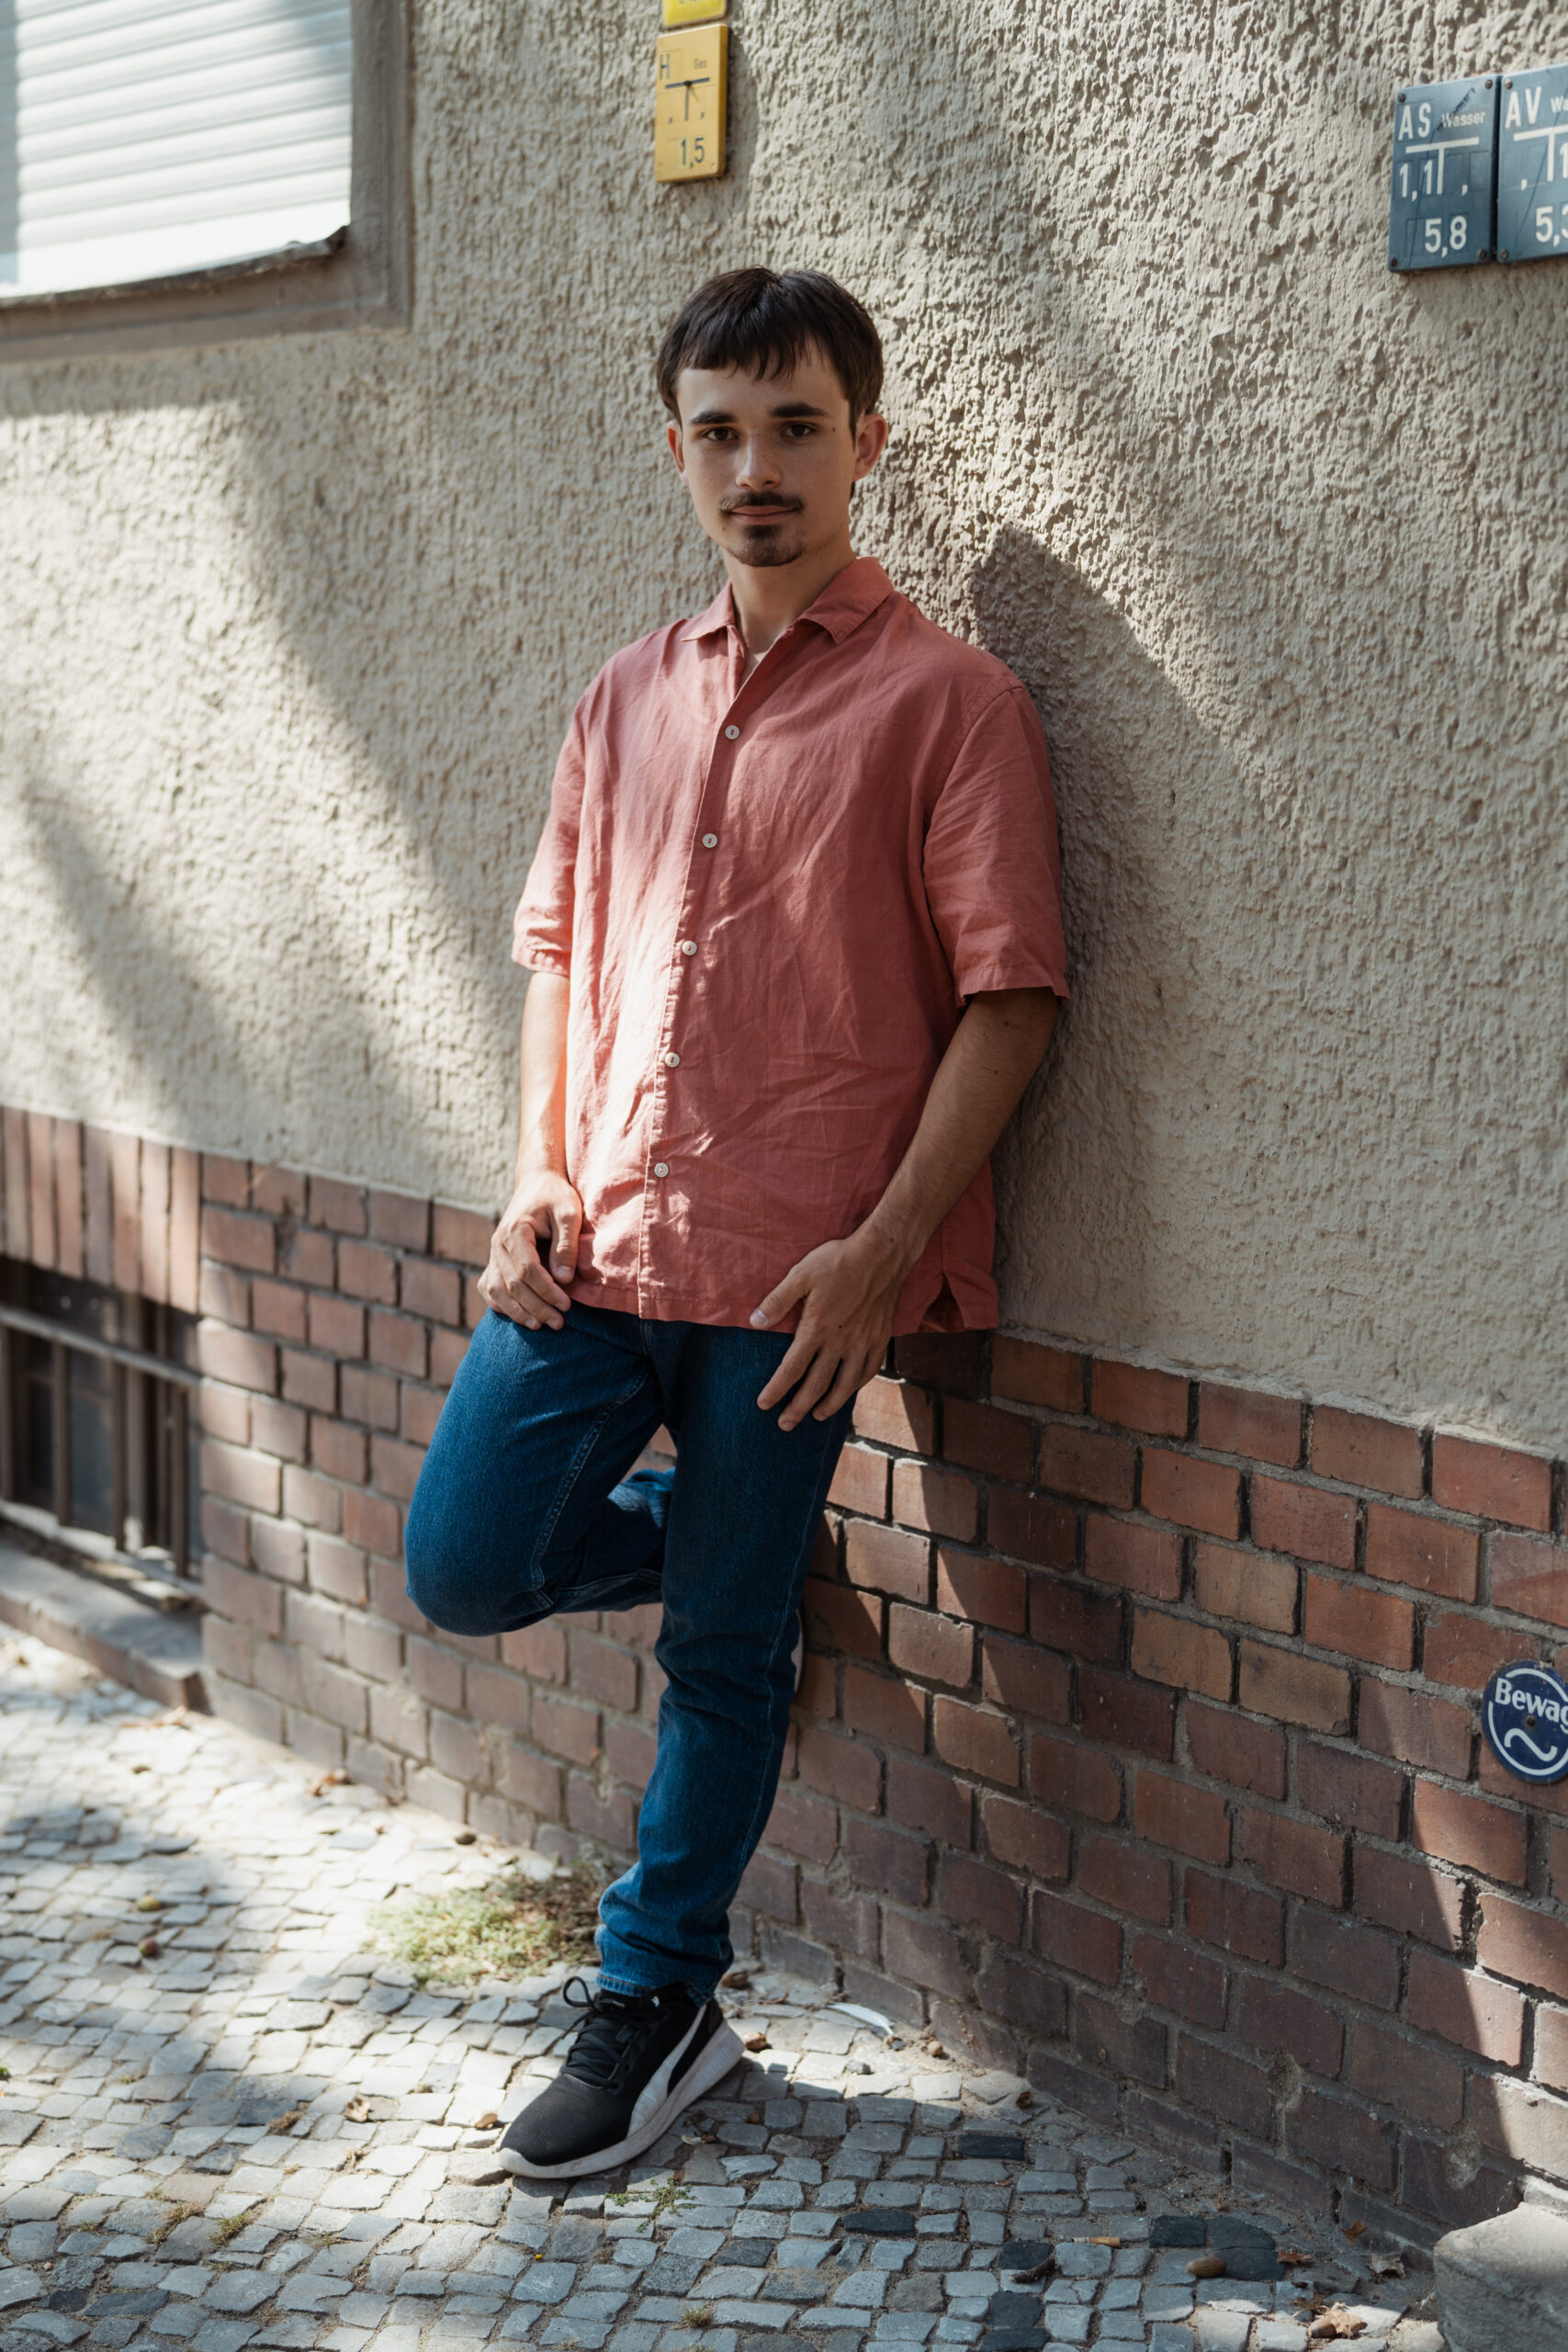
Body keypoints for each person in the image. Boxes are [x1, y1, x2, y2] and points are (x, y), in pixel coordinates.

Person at [403, 266, 1068, 2180]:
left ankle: (659, 1997)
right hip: (600, 1239)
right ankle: (742, 1574)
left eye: (795, 428)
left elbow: (1011, 997)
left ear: (866, 443)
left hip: (797, 1282)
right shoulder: (623, 693)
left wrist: (884, 1252)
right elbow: (555, 953)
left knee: (716, 1658)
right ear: (677, 449)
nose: (755, 466)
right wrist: (532, 1167)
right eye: (719, 430)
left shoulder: (950, 704)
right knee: (464, 1562)